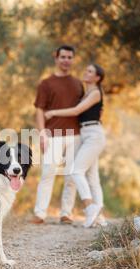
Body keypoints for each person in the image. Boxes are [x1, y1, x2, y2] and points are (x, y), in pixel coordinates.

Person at [44, 63, 107, 228]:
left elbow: (76, 111)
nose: (86, 73)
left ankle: (90, 207)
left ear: (97, 78)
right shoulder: (87, 93)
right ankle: (99, 218)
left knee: (76, 171)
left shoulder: (95, 93)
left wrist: (53, 112)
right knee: (93, 177)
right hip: (85, 133)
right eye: (86, 70)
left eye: (90, 71)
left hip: (94, 134)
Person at [31, 45, 84, 225]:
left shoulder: (78, 83)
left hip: (75, 136)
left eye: (70, 57)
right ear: (56, 58)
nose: (66, 60)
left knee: (71, 176)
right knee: (48, 173)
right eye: (63, 57)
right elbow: (39, 109)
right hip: (52, 136)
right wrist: (42, 133)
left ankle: (66, 213)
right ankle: (40, 213)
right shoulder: (46, 83)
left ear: (73, 59)